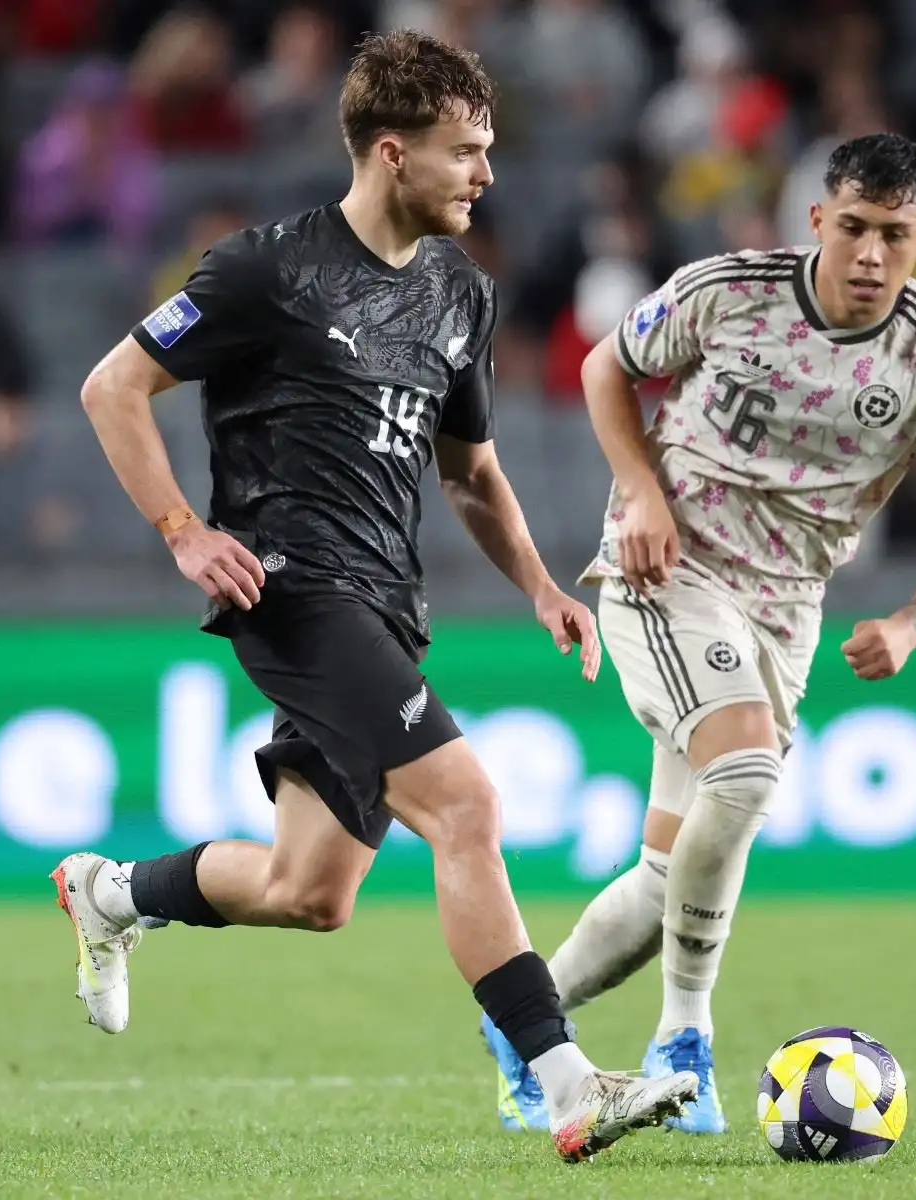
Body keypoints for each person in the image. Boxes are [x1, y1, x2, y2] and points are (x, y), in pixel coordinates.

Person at [49, 30, 696, 1163]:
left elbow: (470, 472)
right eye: (465, 151)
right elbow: (114, 387)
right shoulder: (266, 269)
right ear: (393, 152)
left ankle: (112, 893)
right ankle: (567, 1085)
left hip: (388, 605)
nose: (486, 173)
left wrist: (541, 584)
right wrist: (184, 531)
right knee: (468, 808)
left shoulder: (460, 292)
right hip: (293, 592)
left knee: (312, 890)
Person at [484, 133, 916, 1133]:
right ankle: (684, 1035)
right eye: (852, 226)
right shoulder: (730, 291)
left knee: (668, 877)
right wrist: (641, 491)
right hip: (667, 567)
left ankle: (522, 1030)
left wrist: (911, 623)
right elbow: (605, 366)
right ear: (817, 219)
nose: (869, 253)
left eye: (893, 235)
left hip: (787, 608)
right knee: (746, 771)